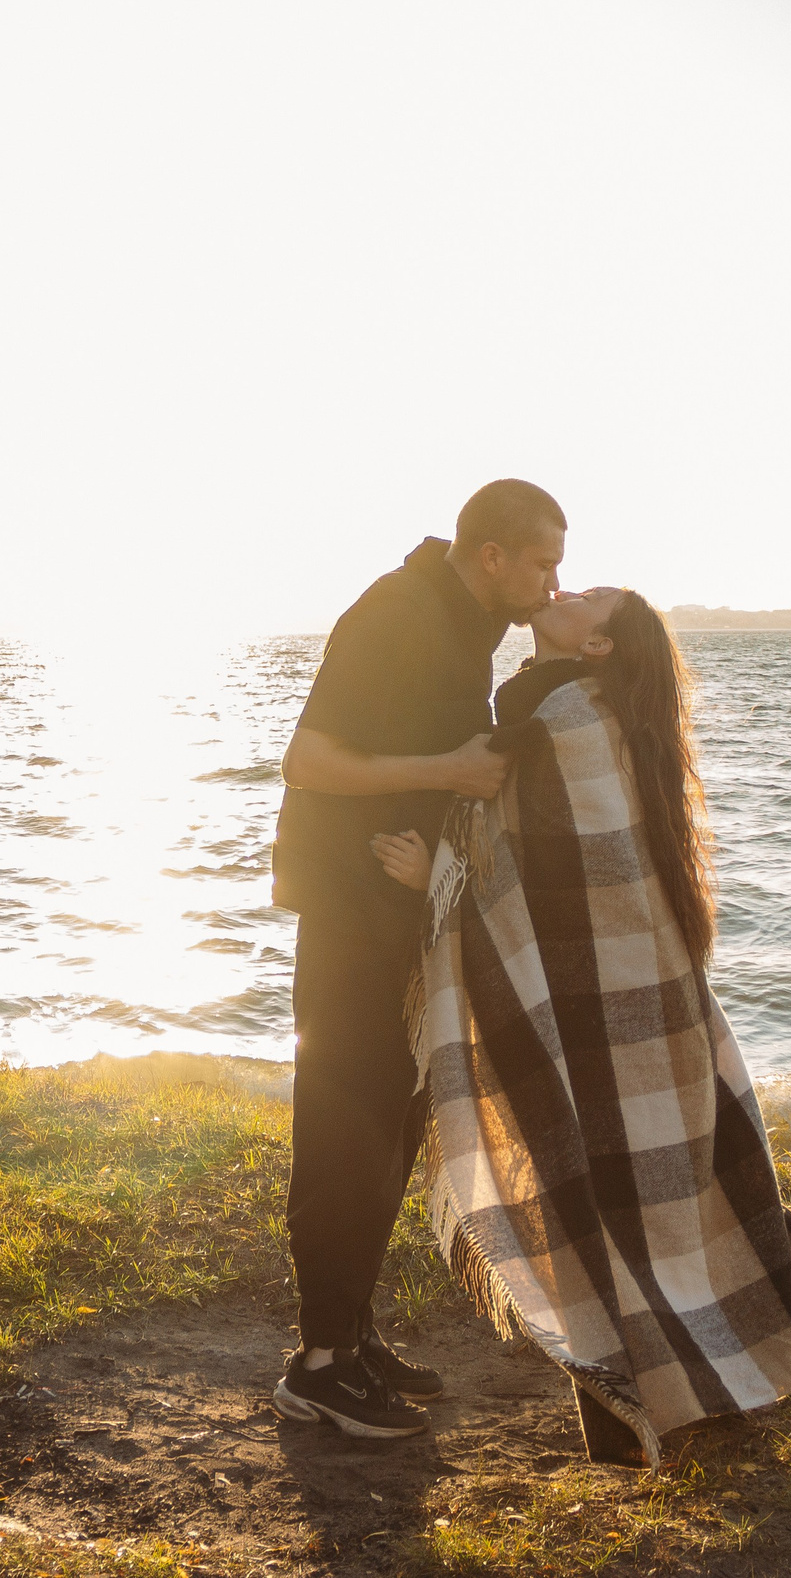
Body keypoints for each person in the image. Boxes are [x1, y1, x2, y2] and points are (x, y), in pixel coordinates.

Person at [375, 586, 791, 1466]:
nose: (564, 587)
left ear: (595, 645)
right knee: (667, 1188)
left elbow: (528, 861)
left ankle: (628, 1409)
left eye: (589, 595)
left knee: (609, 1187)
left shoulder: (566, 722)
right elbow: (544, 853)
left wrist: (432, 872)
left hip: (611, 991)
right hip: (632, 982)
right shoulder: (574, 711)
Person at [267, 479, 568, 1440]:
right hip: (350, 909)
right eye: (544, 563)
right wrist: (443, 773)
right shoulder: (394, 614)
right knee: (342, 1127)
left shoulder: (468, 621)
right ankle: (317, 1366)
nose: (555, 584)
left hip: (403, 909)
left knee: (391, 1131)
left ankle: (349, 1335)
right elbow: (307, 758)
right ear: (493, 558)